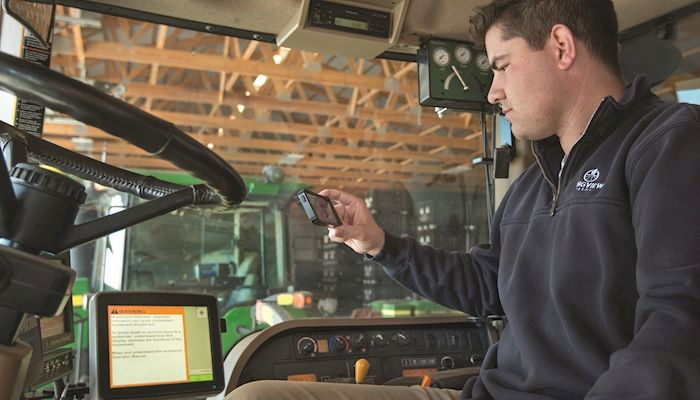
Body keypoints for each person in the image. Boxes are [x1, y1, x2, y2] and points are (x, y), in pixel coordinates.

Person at [227, 0, 700, 398]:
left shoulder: (666, 143)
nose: (493, 91)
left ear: (561, 47)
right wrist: (379, 244)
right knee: (259, 395)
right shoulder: (533, 184)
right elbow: (483, 284)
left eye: (502, 67)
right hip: (486, 392)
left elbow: (678, 320)